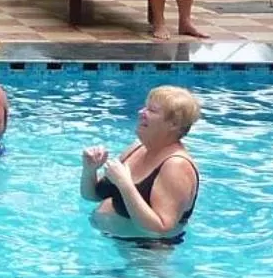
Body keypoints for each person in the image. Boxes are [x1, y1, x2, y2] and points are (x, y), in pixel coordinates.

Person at [82, 86, 201, 245]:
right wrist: (90, 170)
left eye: (152, 110)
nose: (141, 112)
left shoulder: (176, 165)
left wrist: (125, 185)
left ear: (173, 124)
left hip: (145, 253)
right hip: (112, 243)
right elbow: (92, 196)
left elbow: (161, 227)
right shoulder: (138, 148)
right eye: (145, 107)